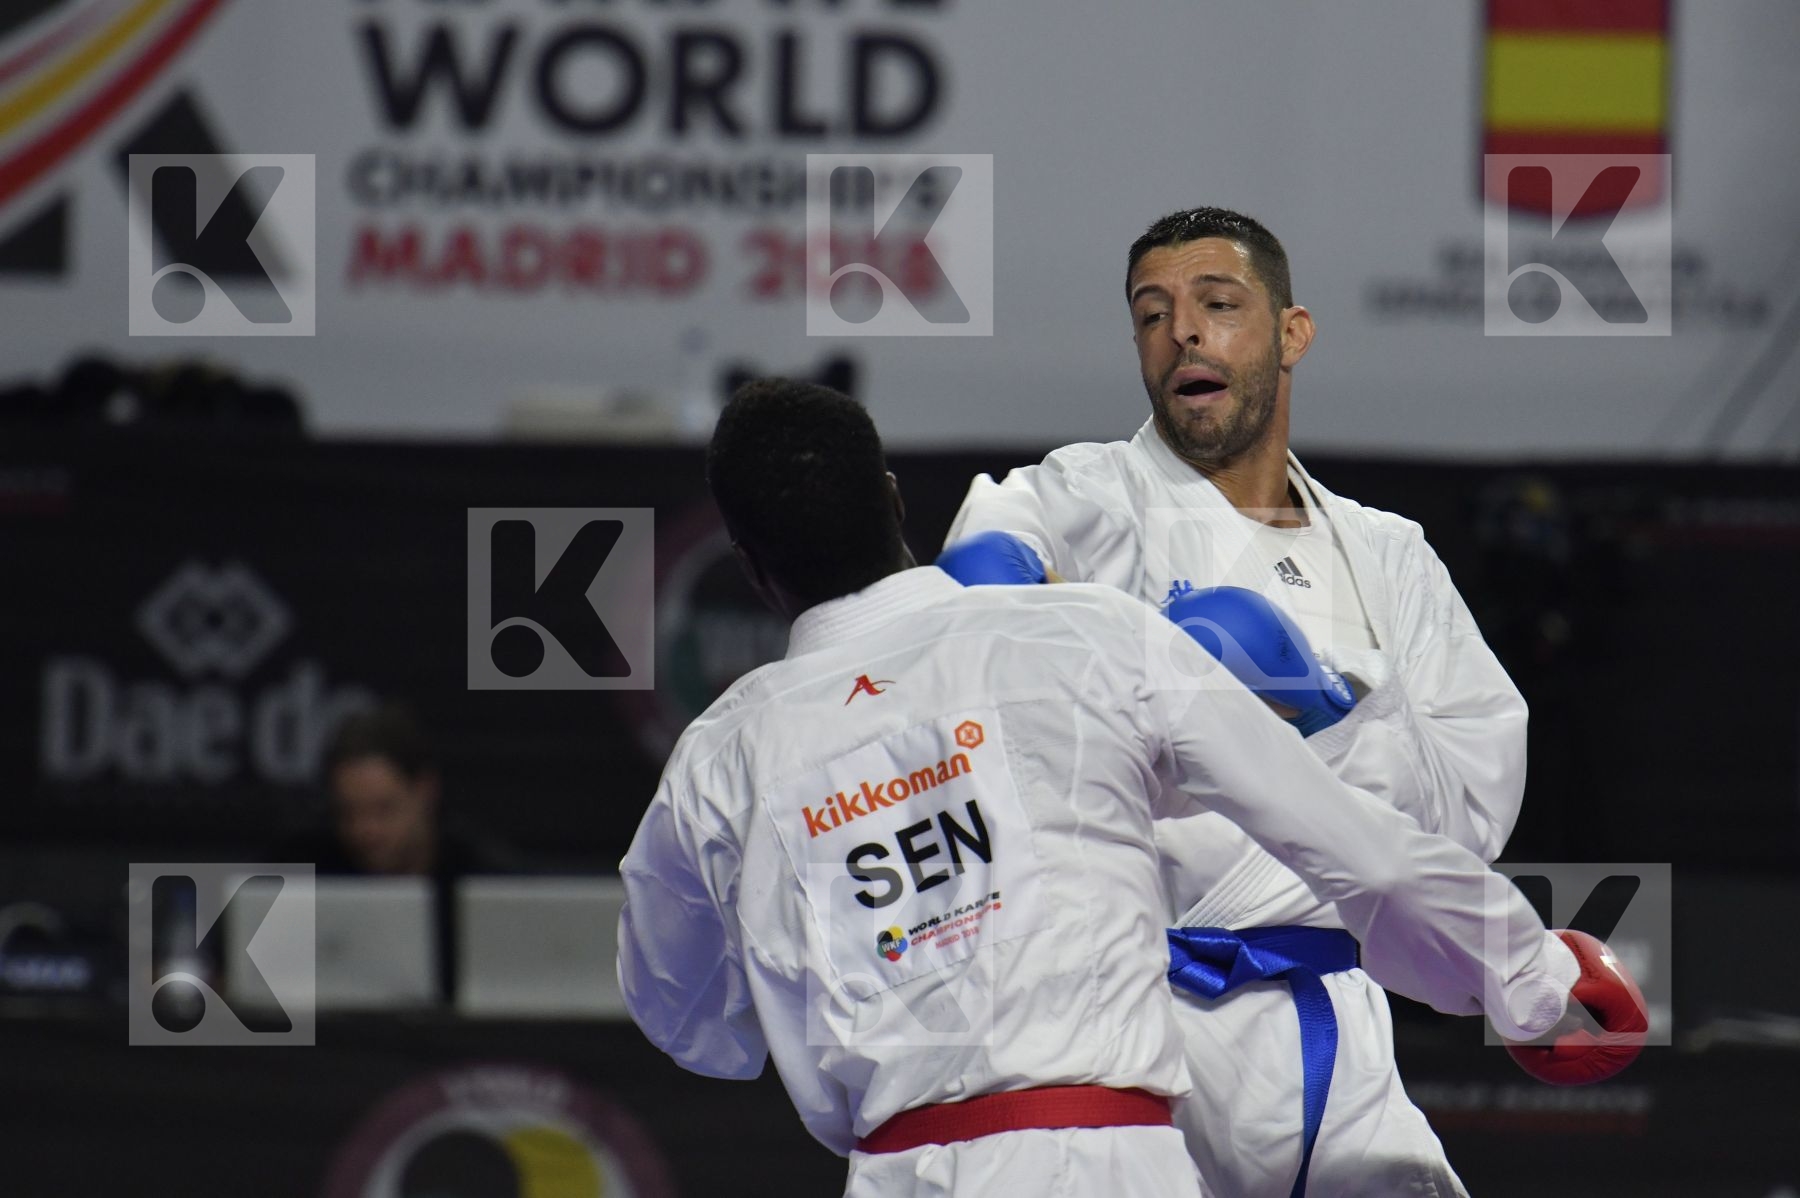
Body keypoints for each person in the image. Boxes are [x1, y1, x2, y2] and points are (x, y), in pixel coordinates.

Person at [616, 379, 1596, 1198]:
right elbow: (1357, 848)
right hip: (1114, 1160)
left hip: (894, 1171)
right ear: (893, 497)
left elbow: (686, 1016)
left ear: (748, 567)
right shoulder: (1088, 636)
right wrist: (1536, 981)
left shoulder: (721, 758)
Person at [941, 207, 1532, 1196]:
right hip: (1108, 1016)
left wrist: (1320, 703)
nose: (1183, 332)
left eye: (1218, 304)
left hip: (1318, 1021)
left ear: (1291, 333)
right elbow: (980, 579)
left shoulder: (1387, 555)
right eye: (1152, 314)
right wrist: (1003, 593)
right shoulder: (1090, 495)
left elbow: (1469, 818)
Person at [274, 702, 520, 1000]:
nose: (365, 831)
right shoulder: (302, 868)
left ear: (425, 792)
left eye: (384, 810)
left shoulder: (482, 880)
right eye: (349, 813)